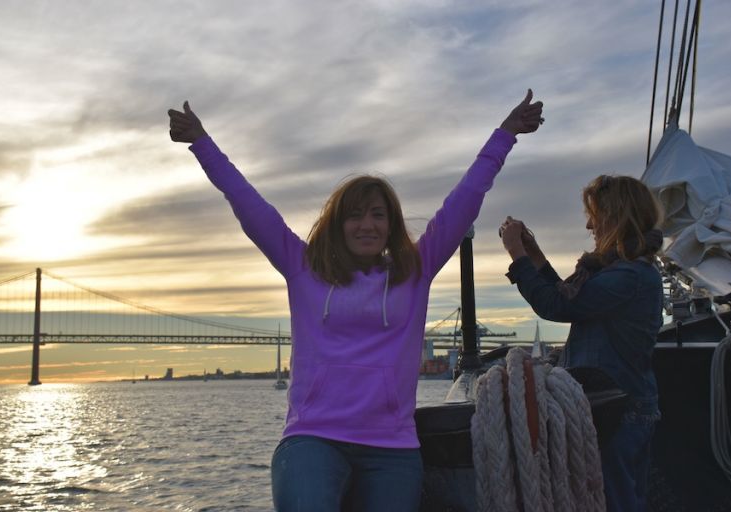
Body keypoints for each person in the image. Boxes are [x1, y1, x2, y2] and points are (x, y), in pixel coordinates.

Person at [168, 90, 543, 512]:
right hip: (313, 439)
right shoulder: (302, 267)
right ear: (338, 223)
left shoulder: (415, 271)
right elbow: (248, 203)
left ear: (391, 224)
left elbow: (466, 197)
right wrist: (201, 142)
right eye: (355, 215)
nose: (367, 225)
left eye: (378, 214)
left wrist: (506, 134)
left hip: (392, 447)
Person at [500, 174, 664, 512]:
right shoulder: (625, 271)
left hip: (619, 412)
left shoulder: (628, 276)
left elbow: (558, 305)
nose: (590, 225)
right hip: (617, 406)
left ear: (615, 218)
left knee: (614, 502)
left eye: (596, 215)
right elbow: (569, 296)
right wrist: (535, 256)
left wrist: (517, 255)